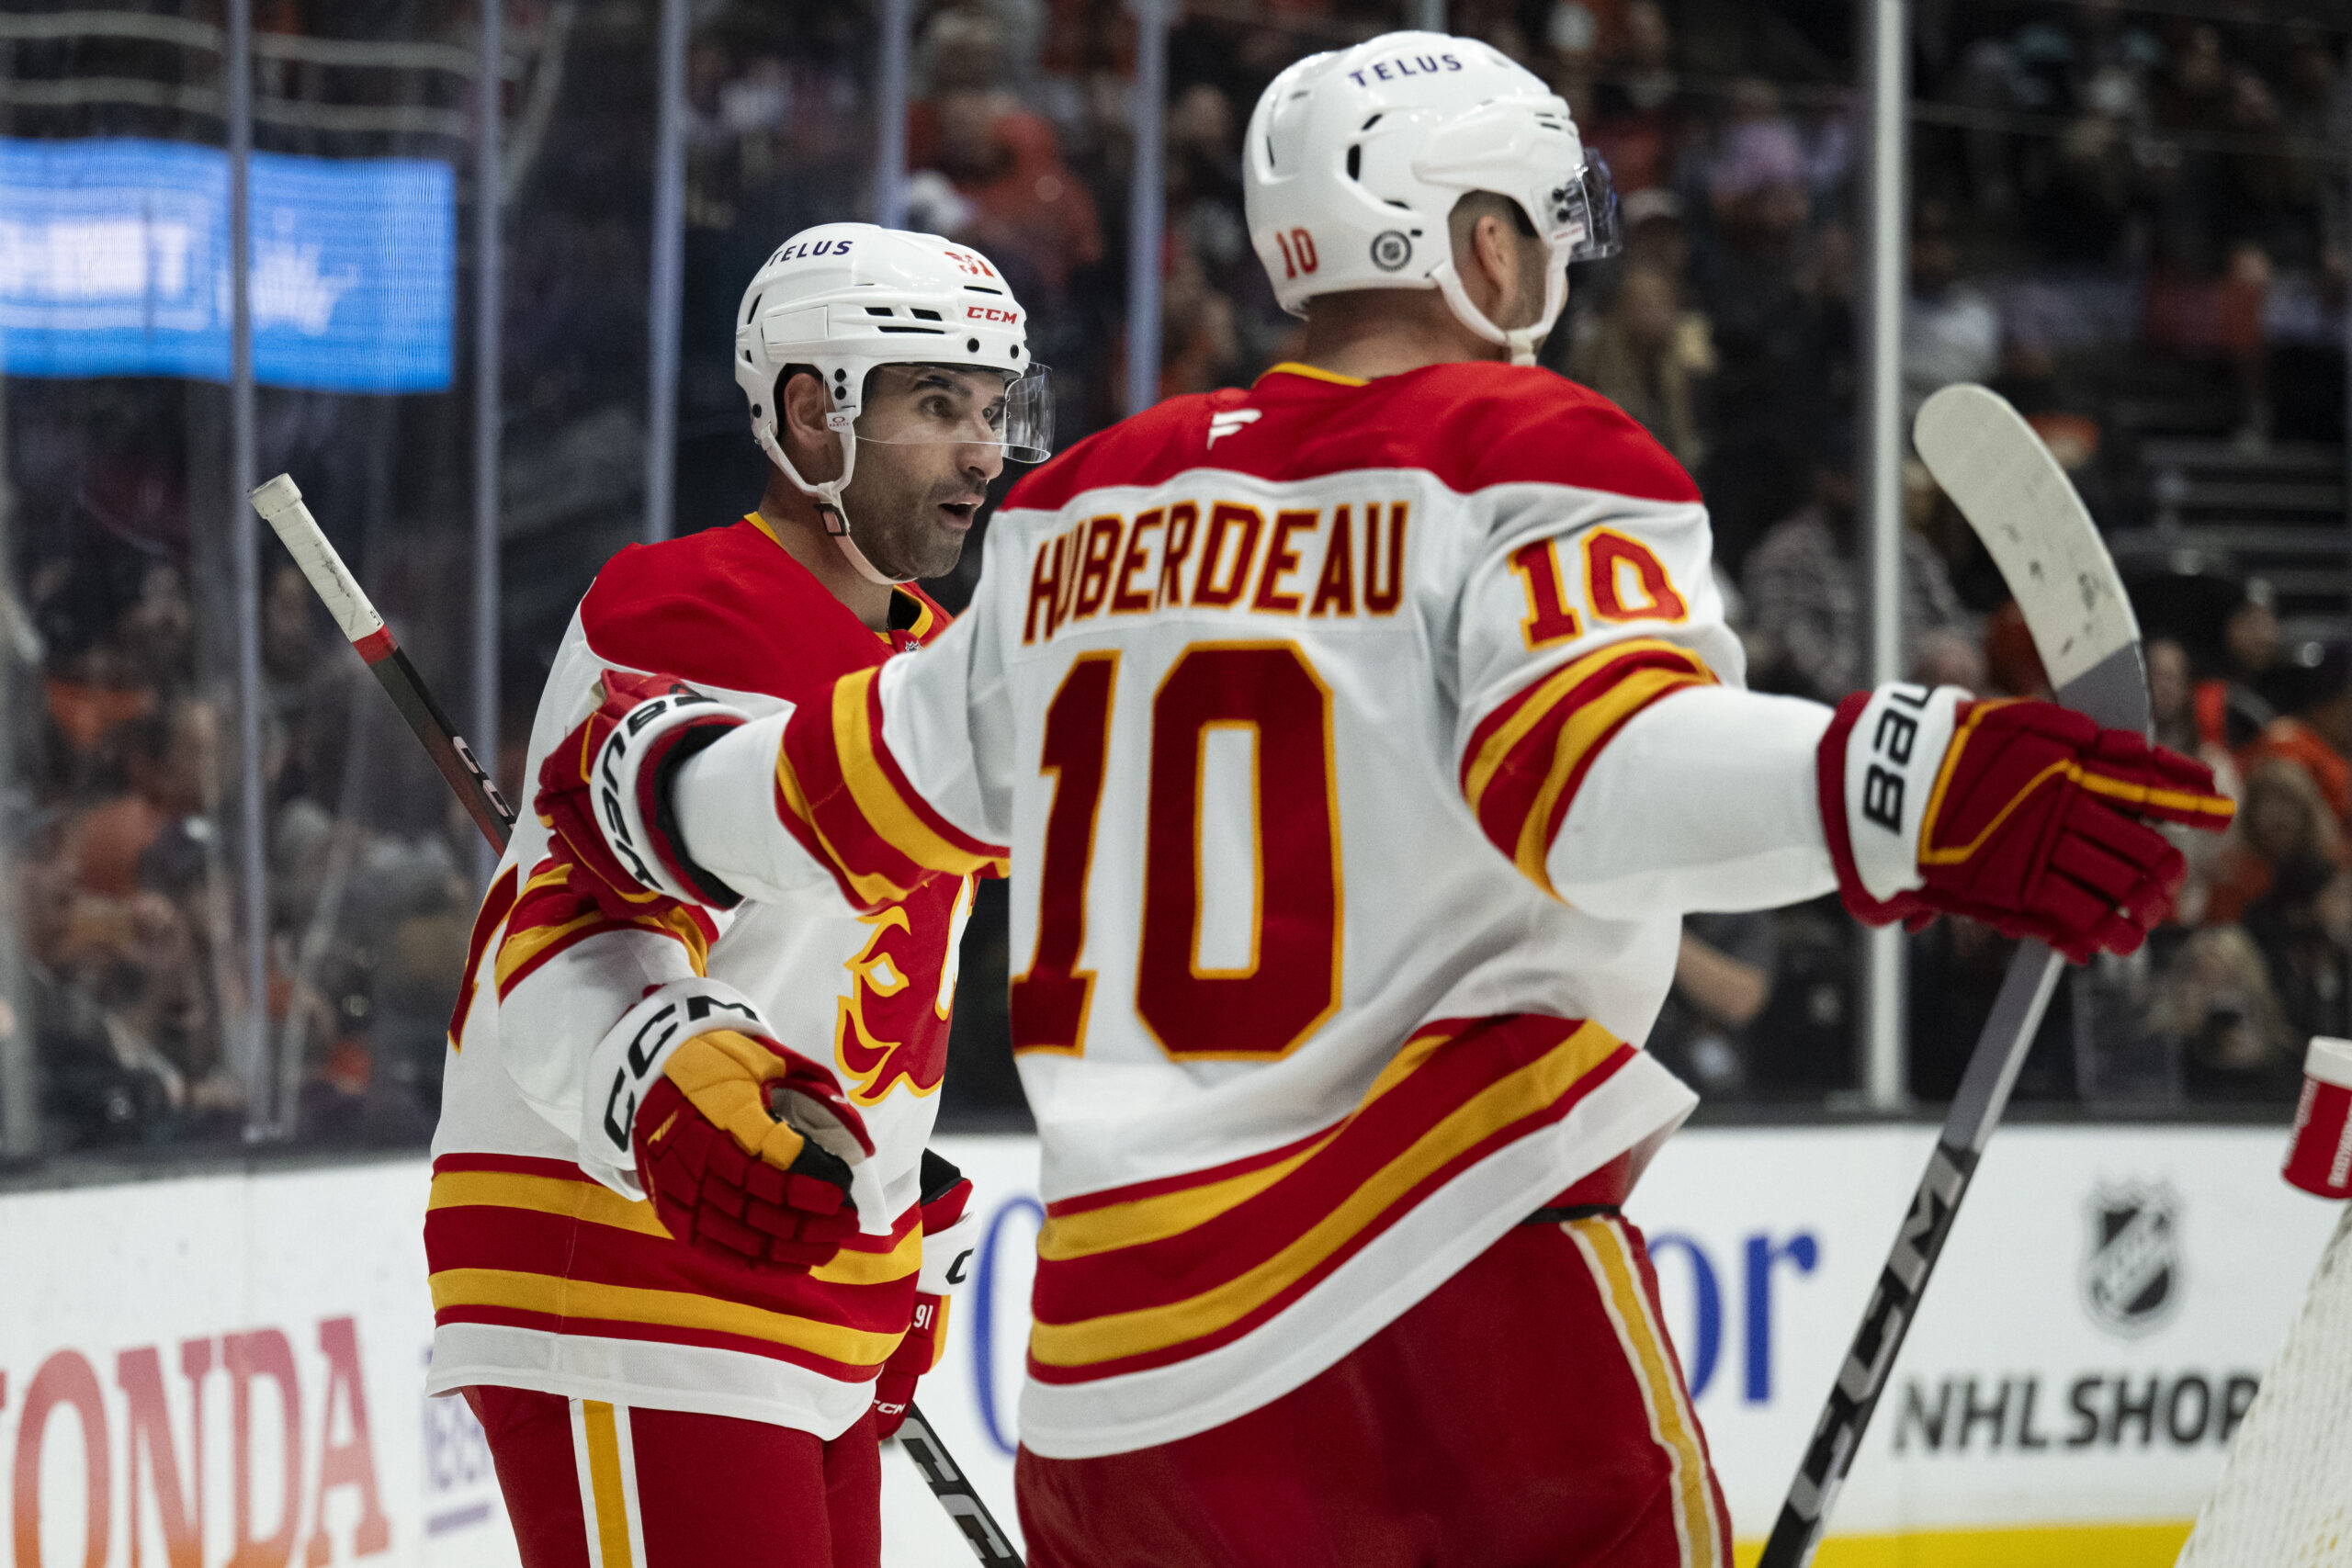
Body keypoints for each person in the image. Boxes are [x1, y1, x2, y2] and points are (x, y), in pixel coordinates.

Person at [534, 36, 2233, 1567]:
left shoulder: (1080, 516)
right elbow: (1592, 769)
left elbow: (843, 788)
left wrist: (642, 779)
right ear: (1476, 240)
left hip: (1114, 1398)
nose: (1553, 256)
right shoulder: (1512, 443)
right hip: (1446, 1302)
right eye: (1536, 217)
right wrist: (1905, 784)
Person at [425, 224, 1051, 1568]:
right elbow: (581, 924)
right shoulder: (686, 605)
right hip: (628, 1269)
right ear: (813, 408)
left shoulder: (938, 661)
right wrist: (649, 1073)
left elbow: (865, 985)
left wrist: (894, 1220)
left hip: (803, 1287)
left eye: (994, 408)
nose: (983, 452)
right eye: (937, 404)